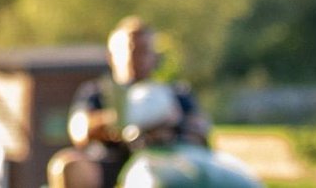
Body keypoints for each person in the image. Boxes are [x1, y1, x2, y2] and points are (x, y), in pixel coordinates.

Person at [46, 17, 211, 188]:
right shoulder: (97, 92)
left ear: (154, 56)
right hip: (110, 163)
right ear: (111, 55)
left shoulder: (176, 94)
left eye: (143, 51)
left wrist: (169, 127)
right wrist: (122, 119)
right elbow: (79, 131)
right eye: (129, 49)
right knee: (69, 167)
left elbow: (201, 131)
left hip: (165, 163)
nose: (136, 57)